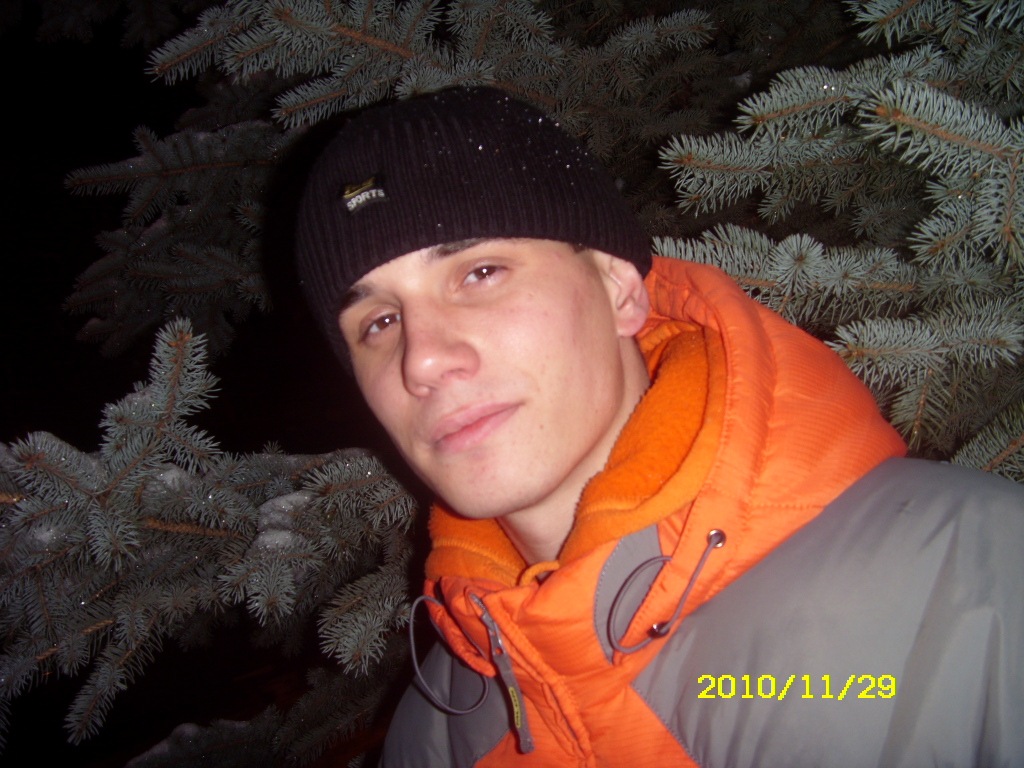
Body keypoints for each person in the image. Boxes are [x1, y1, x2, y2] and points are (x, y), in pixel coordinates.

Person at [294, 87, 1024, 767]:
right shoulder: (441, 724)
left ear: (619, 290)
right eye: (379, 322)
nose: (422, 359)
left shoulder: (974, 582)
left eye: (480, 274)